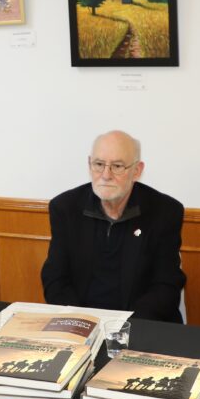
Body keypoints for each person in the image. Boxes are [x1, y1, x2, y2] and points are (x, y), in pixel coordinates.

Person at [41, 130, 186, 322]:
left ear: (137, 171)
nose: (106, 175)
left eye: (117, 166)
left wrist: (123, 327)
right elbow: (55, 278)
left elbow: (166, 286)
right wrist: (79, 321)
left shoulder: (164, 212)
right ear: (89, 164)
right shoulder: (65, 208)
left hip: (141, 323)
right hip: (81, 323)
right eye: (99, 164)